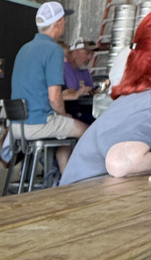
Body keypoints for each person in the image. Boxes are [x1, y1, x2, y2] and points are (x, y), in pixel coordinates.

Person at [60, 13, 151, 186]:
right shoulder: (147, 102)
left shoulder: (136, 98)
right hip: (80, 199)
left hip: (82, 192)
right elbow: (120, 162)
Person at [11, 1, 89, 174]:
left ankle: (64, 177)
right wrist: (63, 114)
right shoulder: (54, 50)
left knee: (66, 130)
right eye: (64, 19)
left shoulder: (24, 49)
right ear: (58, 23)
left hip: (17, 125)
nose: (65, 23)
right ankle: (77, 179)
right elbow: (54, 98)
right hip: (38, 123)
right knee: (87, 131)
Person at [62, 38, 99, 124]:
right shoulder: (61, 69)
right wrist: (76, 94)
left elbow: (90, 92)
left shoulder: (85, 71)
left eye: (92, 53)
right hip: (67, 112)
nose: (90, 57)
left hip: (83, 110)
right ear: (74, 52)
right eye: (87, 53)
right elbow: (55, 96)